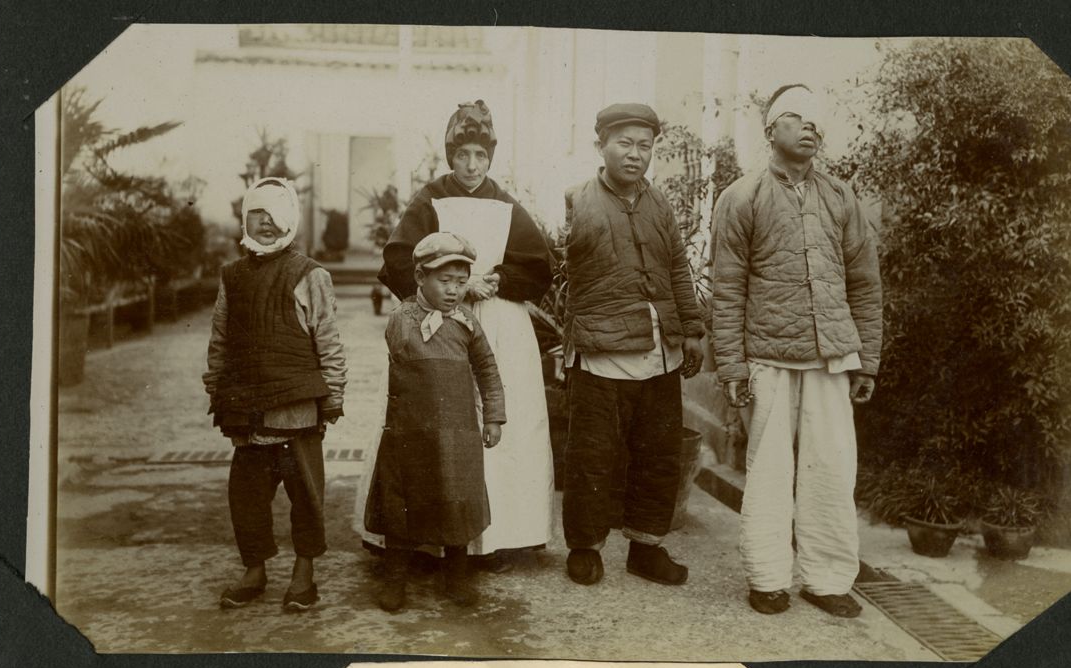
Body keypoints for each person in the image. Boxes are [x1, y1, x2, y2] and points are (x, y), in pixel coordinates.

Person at [710, 84, 883, 618]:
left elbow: (865, 282)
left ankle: (827, 579)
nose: (810, 127)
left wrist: (867, 359)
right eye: (795, 117)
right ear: (770, 131)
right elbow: (727, 288)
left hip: (832, 356)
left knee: (832, 468)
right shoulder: (742, 198)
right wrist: (733, 367)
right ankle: (767, 577)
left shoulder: (840, 197)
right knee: (767, 471)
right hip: (768, 357)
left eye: (815, 119)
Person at [374, 99, 554, 572]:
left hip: (498, 325)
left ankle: (498, 536)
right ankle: (427, 539)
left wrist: (495, 282)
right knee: (434, 423)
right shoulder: (430, 199)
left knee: (498, 424)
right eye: (462, 155)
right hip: (437, 328)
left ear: (491, 156)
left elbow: (540, 265)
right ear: (449, 155)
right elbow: (396, 260)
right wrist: (450, 286)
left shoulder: (504, 202)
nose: (472, 166)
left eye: (480, 155)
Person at [559, 102, 704, 587]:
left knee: (659, 455)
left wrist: (693, 330)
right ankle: (585, 547)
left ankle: (646, 546)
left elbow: (678, 268)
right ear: (600, 146)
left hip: (659, 351)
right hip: (601, 353)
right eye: (625, 143)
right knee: (592, 456)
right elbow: (559, 269)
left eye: (645, 146)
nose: (635, 154)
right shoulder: (578, 200)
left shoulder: (659, 204)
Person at [203, 177, 348, 612]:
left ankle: (304, 573)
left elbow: (329, 340)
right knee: (246, 496)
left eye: (274, 215)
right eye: (256, 215)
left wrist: (334, 394)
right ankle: (255, 570)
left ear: (290, 220)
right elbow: (220, 337)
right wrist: (217, 386)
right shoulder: (232, 276)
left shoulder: (311, 275)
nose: (265, 224)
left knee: (305, 494)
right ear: (245, 219)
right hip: (247, 411)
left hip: (296, 410)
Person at [365, 232, 506, 611]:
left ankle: (456, 576)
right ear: (419, 277)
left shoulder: (467, 324)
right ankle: (396, 579)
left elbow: (488, 369)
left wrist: (493, 416)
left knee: (456, 499)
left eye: (461, 283)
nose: (454, 291)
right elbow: (402, 351)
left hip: (457, 433)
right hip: (409, 432)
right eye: (445, 281)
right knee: (402, 502)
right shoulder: (401, 319)